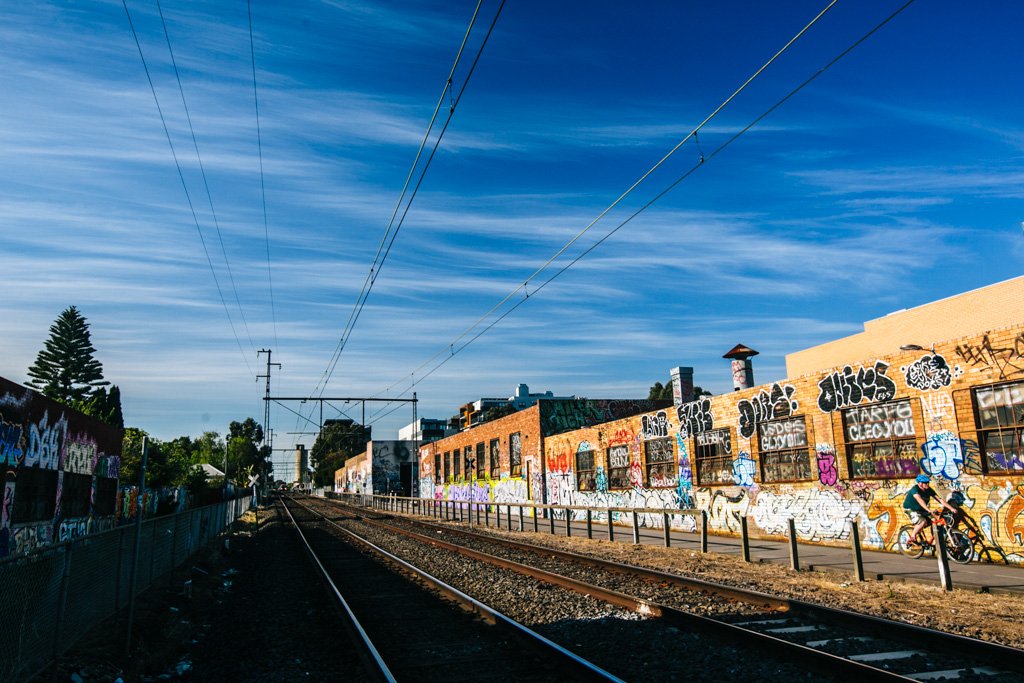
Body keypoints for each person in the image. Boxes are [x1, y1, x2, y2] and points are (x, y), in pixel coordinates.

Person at [903, 474, 957, 546]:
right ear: (920, 483)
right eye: (925, 483)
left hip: (922, 509)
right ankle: (912, 537)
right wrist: (928, 510)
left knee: (935, 521)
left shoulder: (928, 490)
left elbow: (940, 500)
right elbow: (920, 500)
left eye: (928, 482)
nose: (927, 484)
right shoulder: (915, 490)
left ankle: (934, 541)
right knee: (922, 521)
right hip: (910, 509)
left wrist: (951, 508)